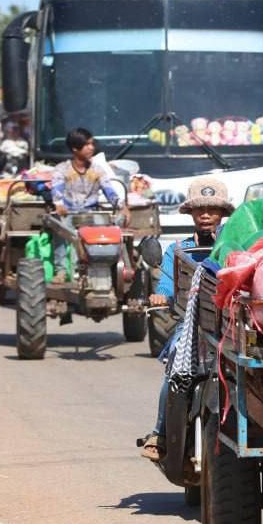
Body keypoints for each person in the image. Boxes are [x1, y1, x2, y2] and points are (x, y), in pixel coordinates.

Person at [138, 176, 236, 460]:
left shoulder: (235, 248)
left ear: (223, 214)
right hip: (191, 327)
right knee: (175, 368)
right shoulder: (177, 251)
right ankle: (160, 433)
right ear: (191, 213)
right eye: (200, 209)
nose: (206, 215)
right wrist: (161, 296)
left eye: (213, 209)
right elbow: (167, 285)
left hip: (232, 327)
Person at [50, 127, 127, 279]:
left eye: (92, 144)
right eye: (87, 145)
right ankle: (61, 270)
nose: (91, 147)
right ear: (75, 149)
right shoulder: (62, 169)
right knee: (60, 230)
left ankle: (106, 267)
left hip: (92, 214)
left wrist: (121, 206)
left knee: (111, 231)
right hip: (69, 213)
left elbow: (109, 191)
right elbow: (57, 190)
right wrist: (59, 204)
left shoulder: (97, 169)